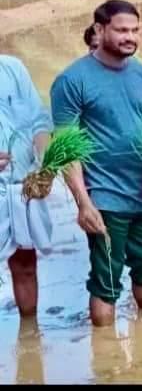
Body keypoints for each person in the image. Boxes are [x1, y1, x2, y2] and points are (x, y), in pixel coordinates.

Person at [51, 0, 142, 327]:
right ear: (100, 29)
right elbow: (66, 148)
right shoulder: (73, 80)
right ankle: (106, 362)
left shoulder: (141, 73)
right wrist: (84, 204)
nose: (129, 37)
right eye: (121, 30)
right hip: (105, 198)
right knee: (106, 282)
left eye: (135, 30)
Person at [0, 55, 53, 317]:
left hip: (20, 185)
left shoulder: (12, 68)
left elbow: (39, 120)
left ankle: (30, 340)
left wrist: (45, 163)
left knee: (25, 265)